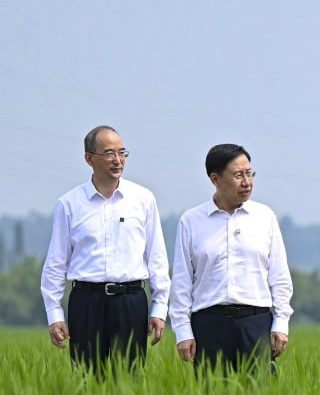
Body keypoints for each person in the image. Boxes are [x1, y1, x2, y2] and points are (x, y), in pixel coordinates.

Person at [40, 125, 171, 373]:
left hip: (131, 301)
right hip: (86, 301)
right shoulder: (69, 204)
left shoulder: (142, 199)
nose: (118, 160)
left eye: (122, 153)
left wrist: (160, 307)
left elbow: (156, 257)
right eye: (109, 153)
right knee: (87, 379)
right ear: (89, 158)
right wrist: (54, 313)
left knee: (130, 382)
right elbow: (56, 262)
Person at [169, 144, 293, 373]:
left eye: (249, 173)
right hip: (209, 325)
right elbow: (182, 282)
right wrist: (183, 331)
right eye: (238, 175)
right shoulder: (191, 221)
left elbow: (280, 276)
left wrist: (281, 322)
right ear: (215, 179)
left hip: (255, 323)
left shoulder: (264, 217)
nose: (247, 182)